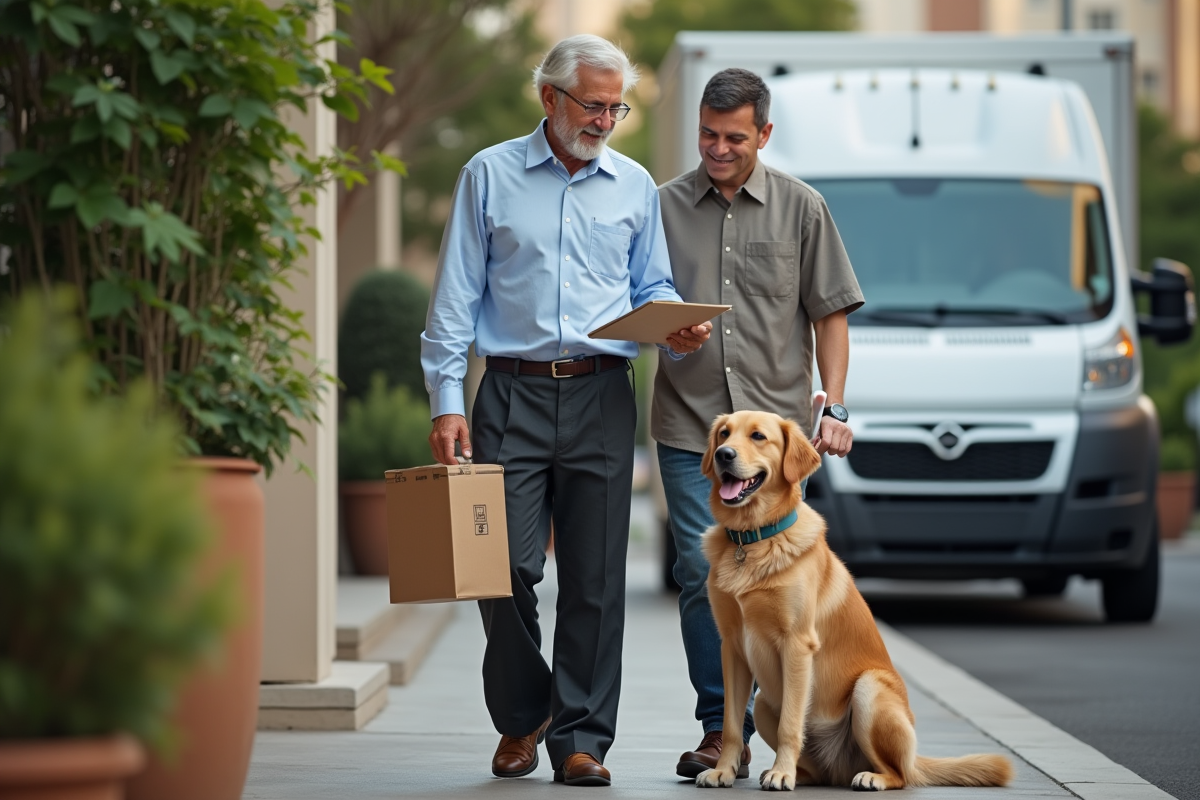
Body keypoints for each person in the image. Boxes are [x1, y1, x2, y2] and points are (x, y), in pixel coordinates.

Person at [420, 35, 711, 788]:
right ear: (549, 98)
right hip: (509, 391)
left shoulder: (635, 185)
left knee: (595, 578)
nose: (608, 119)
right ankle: (525, 713)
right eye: (594, 104)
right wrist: (447, 399)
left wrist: (674, 325)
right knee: (500, 566)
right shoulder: (488, 174)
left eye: (617, 106)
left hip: (601, 393)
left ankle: (581, 740)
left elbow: (652, 288)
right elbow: (454, 298)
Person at [651, 68, 864, 780]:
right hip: (692, 431)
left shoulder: (803, 209)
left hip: (775, 450)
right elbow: (629, 301)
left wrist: (833, 405)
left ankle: (799, 724)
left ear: (763, 135)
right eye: (708, 135)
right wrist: (662, 333)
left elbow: (830, 313)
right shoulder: (662, 208)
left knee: (780, 588)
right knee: (697, 569)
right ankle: (721, 729)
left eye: (734, 138)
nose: (717, 149)